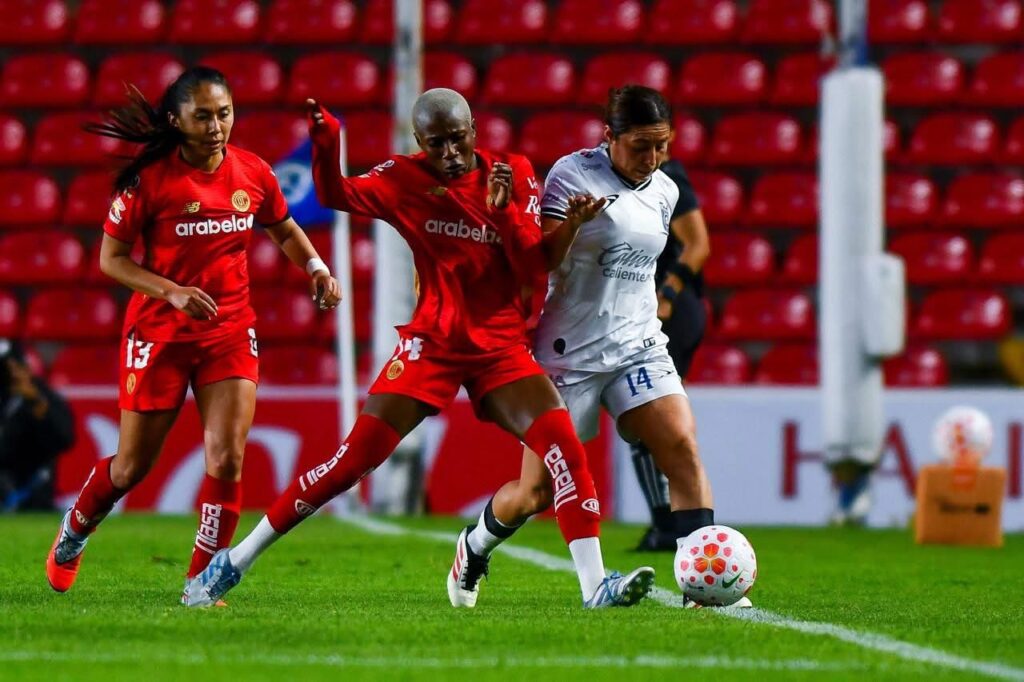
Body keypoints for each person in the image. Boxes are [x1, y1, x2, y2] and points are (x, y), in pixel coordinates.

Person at [183, 88, 655, 609]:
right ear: (418, 142)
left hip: (499, 348)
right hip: (432, 345)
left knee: (564, 447)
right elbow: (336, 194)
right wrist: (327, 140)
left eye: (457, 139)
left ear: (474, 131)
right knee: (349, 463)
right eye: (436, 144)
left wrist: (505, 215)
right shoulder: (403, 178)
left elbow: (533, 268)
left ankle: (595, 587)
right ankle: (234, 561)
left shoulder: (513, 173)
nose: (449, 153)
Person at [44, 67, 342, 599]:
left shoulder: (252, 171)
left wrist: (316, 267)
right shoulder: (148, 181)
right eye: (202, 116)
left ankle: (202, 583)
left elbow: (283, 228)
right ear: (176, 120)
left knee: (227, 457)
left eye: (224, 113)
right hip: (159, 334)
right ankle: (76, 528)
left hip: (229, 332)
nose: (216, 126)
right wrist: (171, 292)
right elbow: (112, 259)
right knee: (131, 467)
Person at [447, 85, 743, 609]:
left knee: (681, 448)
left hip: (638, 345)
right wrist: (575, 223)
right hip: (571, 353)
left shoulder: (665, 189)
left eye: (662, 145)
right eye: (641, 146)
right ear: (609, 136)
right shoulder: (572, 175)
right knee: (535, 494)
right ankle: (474, 545)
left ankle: (702, 588)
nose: (652, 157)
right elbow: (543, 261)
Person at [630, 156, 712, 551]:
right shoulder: (618, 177)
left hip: (671, 312)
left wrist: (667, 294)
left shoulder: (667, 175)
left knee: (652, 418)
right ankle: (665, 524)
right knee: (646, 420)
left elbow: (698, 244)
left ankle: (671, 526)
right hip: (649, 313)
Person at [0, 339, 75, 512]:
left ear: (25, 368)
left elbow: (65, 439)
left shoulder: (42, 396)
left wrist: (36, 403)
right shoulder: (4, 401)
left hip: (34, 494)